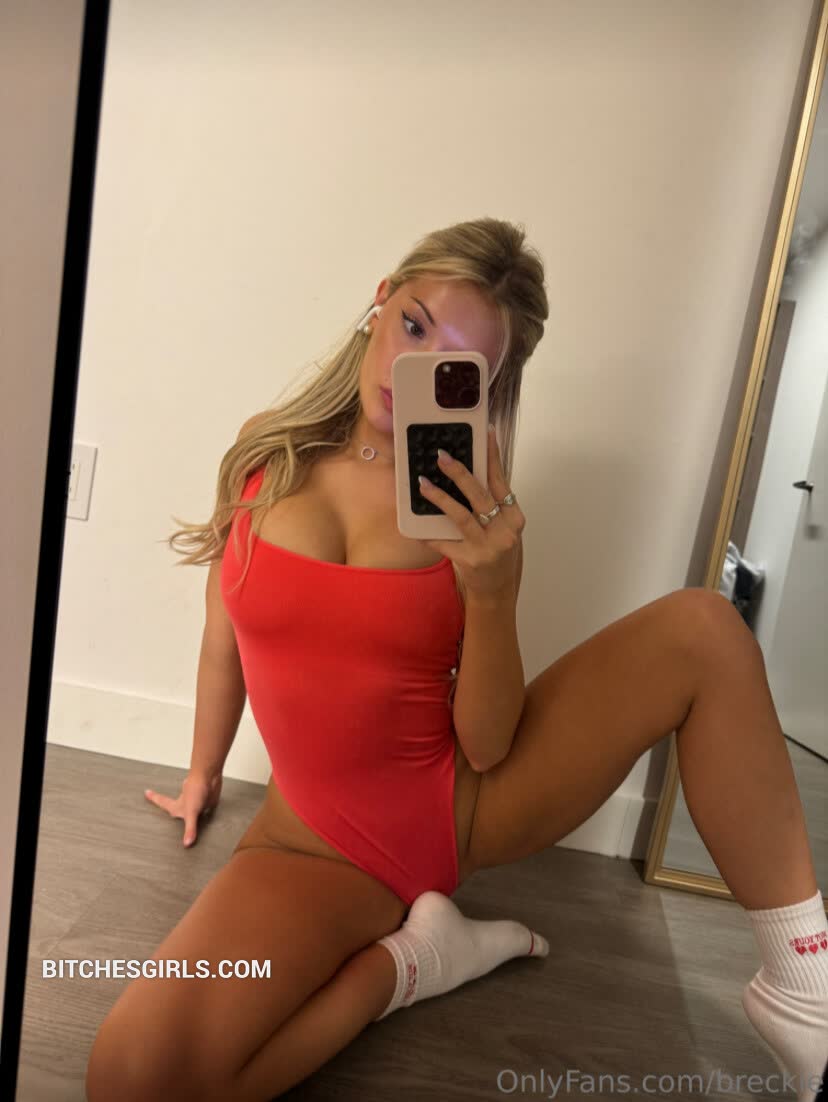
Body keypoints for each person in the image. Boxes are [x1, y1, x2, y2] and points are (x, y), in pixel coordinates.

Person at [85, 218, 827, 1102]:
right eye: (414, 325)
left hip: (462, 807)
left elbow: (486, 743)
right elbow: (224, 631)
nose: (416, 367)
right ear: (379, 302)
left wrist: (493, 590)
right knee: (128, 1078)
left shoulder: (473, 505)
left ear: (485, 387)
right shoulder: (266, 453)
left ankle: (805, 988)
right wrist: (202, 772)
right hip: (313, 840)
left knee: (705, 628)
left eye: (457, 364)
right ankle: (418, 963)